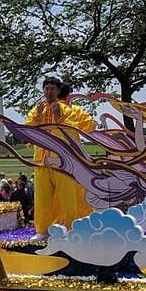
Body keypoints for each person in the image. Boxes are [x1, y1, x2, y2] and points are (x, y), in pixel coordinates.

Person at [25, 77, 95, 237]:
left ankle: (72, 229)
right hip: (41, 161)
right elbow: (26, 131)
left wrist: (59, 116)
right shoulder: (36, 110)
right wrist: (37, 117)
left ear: (58, 91)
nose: (49, 92)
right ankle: (42, 231)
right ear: (43, 90)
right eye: (46, 88)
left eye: (52, 89)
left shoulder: (67, 110)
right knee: (42, 198)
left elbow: (73, 132)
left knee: (68, 198)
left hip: (63, 162)